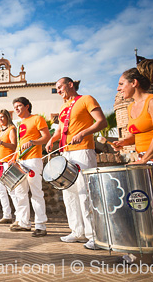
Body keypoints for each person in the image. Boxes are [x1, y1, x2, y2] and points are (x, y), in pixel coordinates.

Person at [44, 77, 106, 247]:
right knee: (69, 193)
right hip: (66, 152)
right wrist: (52, 140)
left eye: (59, 87)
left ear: (70, 85)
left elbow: (102, 122)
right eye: (56, 88)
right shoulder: (63, 107)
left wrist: (83, 133)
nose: (58, 90)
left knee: (86, 192)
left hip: (83, 150)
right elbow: (59, 130)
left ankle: (94, 235)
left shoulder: (87, 99)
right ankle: (77, 231)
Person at [9, 97, 51, 237]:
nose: (17, 109)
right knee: (20, 193)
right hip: (21, 162)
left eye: (19, 106)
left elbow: (46, 137)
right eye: (15, 107)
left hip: (33, 160)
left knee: (36, 193)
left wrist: (33, 142)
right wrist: (14, 157)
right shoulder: (20, 123)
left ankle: (40, 226)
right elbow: (20, 145)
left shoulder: (37, 119)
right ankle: (24, 223)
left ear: (27, 106)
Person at [114, 67, 153, 164]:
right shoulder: (130, 107)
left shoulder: (151, 102)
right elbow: (135, 135)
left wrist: (144, 160)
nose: (118, 89)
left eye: (121, 84)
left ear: (134, 83)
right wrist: (123, 142)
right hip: (144, 159)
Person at [0, 110, 17, 224]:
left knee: (11, 190)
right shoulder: (1, 131)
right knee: (1, 190)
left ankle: (19, 215)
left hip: (7, 163)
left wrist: (0, 143)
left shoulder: (11, 129)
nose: (0, 119)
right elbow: (0, 148)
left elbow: (14, 145)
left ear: (7, 117)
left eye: (2, 117)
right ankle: (6, 214)